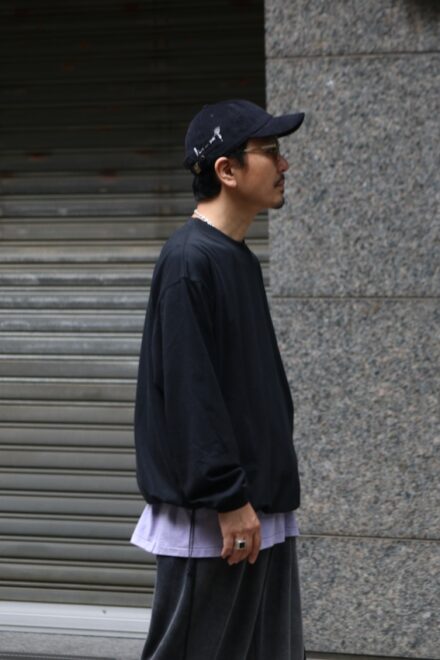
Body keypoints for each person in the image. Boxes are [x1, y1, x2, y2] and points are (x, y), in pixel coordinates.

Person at [132, 99, 306, 660]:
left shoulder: (237, 258)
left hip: (258, 507)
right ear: (226, 170)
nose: (284, 164)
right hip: (219, 519)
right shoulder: (189, 260)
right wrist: (228, 498)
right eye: (270, 151)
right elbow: (190, 395)